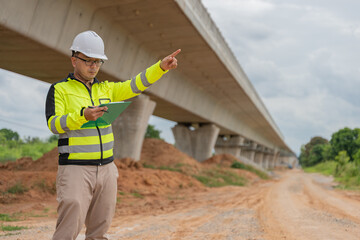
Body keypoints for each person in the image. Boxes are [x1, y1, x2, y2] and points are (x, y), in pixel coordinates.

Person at [45, 30, 180, 240]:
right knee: (68, 228)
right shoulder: (60, 89)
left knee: (100, 229)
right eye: (88, 60)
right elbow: (54, 123)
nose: (94, 66)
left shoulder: (107, 89)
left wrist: (160, 68)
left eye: (98, 62)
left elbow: (136, 84)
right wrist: (83, 116)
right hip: (75, 169)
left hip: (107, 169)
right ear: (74, 60)